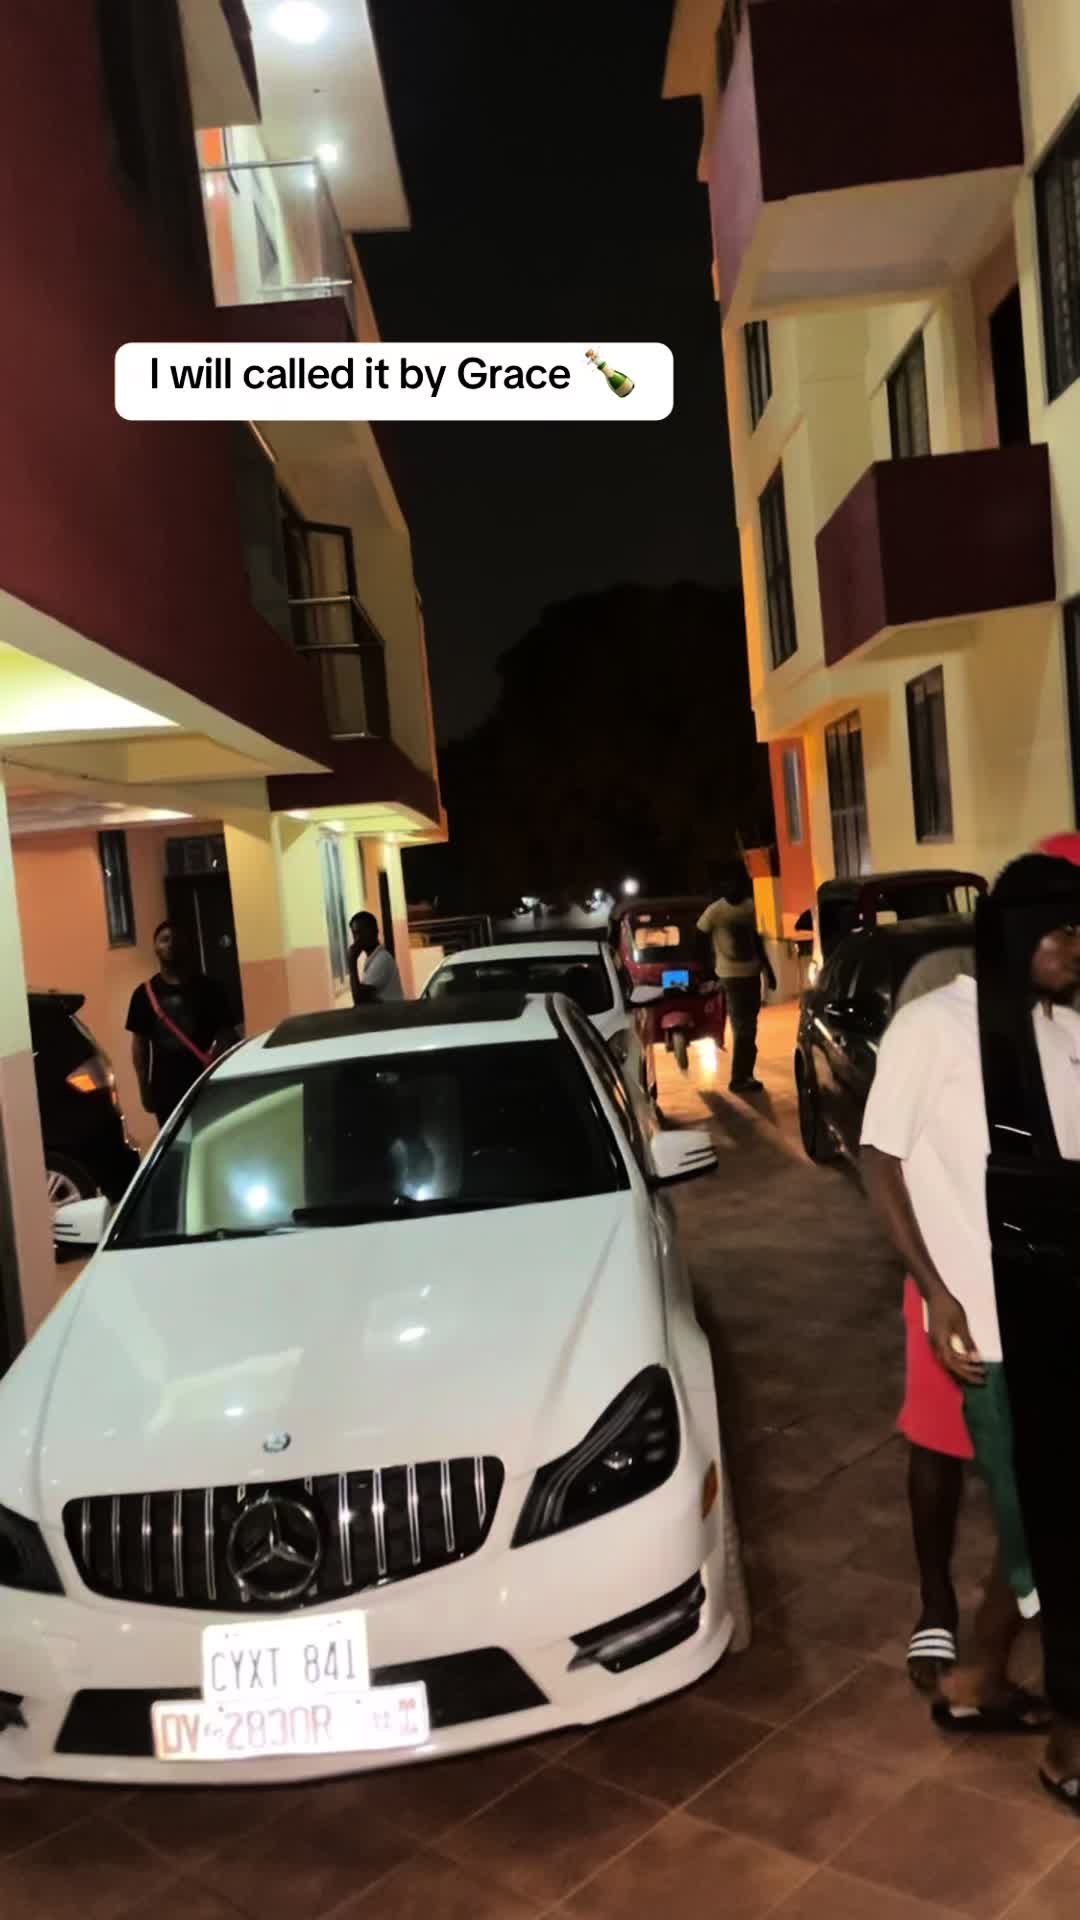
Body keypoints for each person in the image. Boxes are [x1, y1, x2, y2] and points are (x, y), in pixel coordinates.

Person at [861, 854, 1080, 1751]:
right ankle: (1069, 1747)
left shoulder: (1065, 1032)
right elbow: (880, 1158)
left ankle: (978, 1679)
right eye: (1065, 932)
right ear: (1018, 933)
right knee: (1045, 1529)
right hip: (988, 1331)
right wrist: (934, 1288)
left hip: (1060, 1317)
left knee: (1042, 1523)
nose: (1078, 948)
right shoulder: (932, 1027)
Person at [126, 921, 237, 1131]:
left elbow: (227, 1034)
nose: (171, 944)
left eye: (176, 939)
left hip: (206, 1083)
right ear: (155, 948)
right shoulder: (143, 995)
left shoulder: (210, 989)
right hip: (165, 1089)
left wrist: (218, 1065)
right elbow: (140, 1047)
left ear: (188, 945)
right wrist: (144, 1089)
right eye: (164, 939)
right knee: (175, 1142)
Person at [697, 861, 776, 1093]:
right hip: (730, 977)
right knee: (743, 1028)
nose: (733, 888)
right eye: (729, 884)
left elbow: (757, 942)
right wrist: (707, 970)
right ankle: (738, 1078)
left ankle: (746, 1074)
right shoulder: (715, 911)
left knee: (750, 1026)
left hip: (751, 974)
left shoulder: (750, 907)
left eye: (737, 883)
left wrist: (768, 971)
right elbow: (698, 937)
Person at [348, 911, 404, 1005]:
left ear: (375, 932)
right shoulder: (373, 958)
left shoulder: (382, 959)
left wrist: (351, 961)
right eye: (355, 933)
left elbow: (359, 1000)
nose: (358, 938)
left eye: (363, 932)